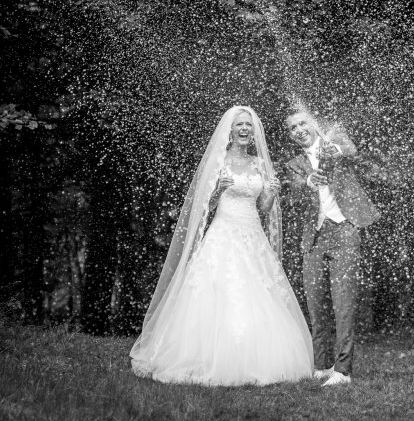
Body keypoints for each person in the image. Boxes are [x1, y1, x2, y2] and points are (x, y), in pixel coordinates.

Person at [130, 106, 314, 386]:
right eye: (239, 125)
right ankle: (208, 356)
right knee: (218, 289)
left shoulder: (260, 164)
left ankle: (256, 358)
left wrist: (272, 193)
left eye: (249, 126)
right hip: (223, 233)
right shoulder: (219, 161)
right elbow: (203, 208)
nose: (244, 129)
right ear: (230, 130)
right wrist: (216, 191)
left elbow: (263, 209)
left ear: (254, 132)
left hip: (253, 235)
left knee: (259, 290)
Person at [283, 110, 380, 386]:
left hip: (345, 230)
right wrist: (307, 183)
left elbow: (351, 149)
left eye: (303, 123)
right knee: (315, 302)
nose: (299, 129)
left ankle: (343, 370)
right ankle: (322, 365)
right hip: (313, 237)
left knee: (343, 302)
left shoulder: (333, 139)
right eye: (293, 127)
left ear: (313, 124)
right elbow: (294, 194)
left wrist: (334, 149)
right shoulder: (294, 164)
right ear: (290, 135)